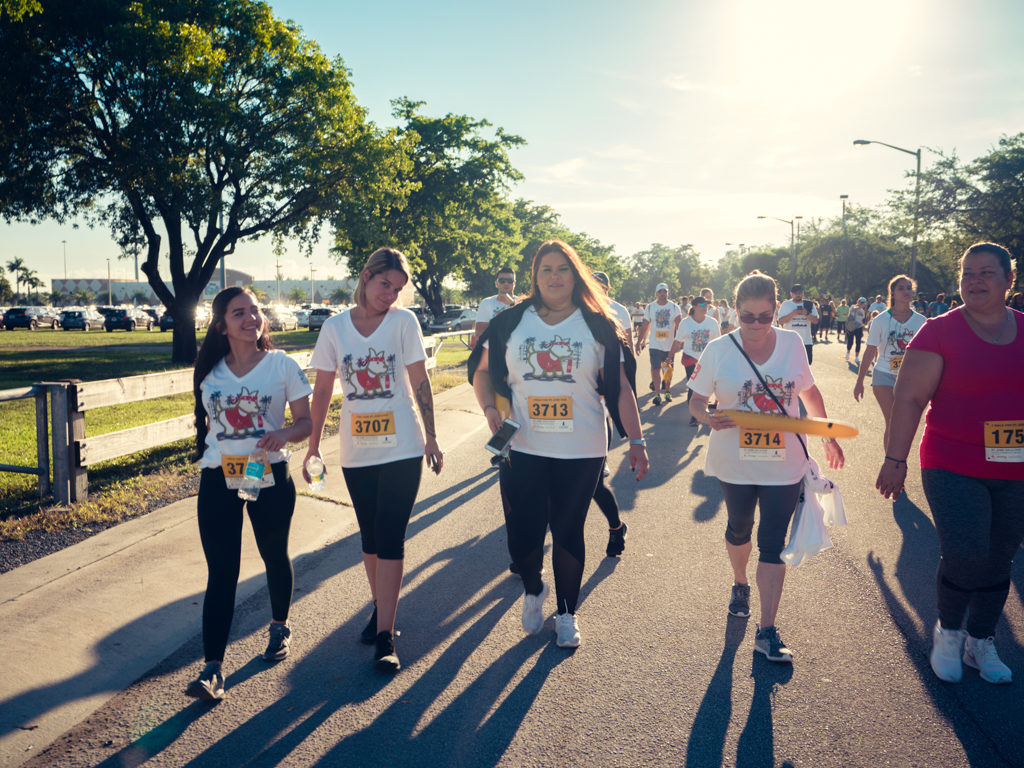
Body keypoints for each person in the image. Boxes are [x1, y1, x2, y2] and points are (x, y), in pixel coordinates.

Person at [469, 239, 649, 649]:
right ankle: (534, 589)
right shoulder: (510, 323)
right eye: (546, 269)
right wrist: (488, 410)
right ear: (534, 276)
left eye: (562, 269)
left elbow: (621, 388)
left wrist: (636, 440)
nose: (554, 276)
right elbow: (481, 372)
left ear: (576, 275)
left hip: (581, 447)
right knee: (522, 535)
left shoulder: (599, 325)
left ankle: (567, 612)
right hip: (521, 445)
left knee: (569, 530)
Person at [877, 242, 1024, 685]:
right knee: (966, 551)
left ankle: (981, 641)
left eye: (986, 273)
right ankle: (949, 631)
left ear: (1008, 281)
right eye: (967, 274)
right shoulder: (939, 332)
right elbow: (909, 400)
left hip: (1015, 467)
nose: (975, 280)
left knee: (1001, 557)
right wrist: (894, 459)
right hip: (951, 461)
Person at [688, 270, 845, 663]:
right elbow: (695, 401)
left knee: (772, 542)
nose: (756, 325)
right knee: (739, 529)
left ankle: (767, 629)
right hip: (735, 464)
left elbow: (808, 391)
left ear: (776, 310)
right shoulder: (718, 350)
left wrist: (828, 435)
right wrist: (707, 418)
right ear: (734, 313)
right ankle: (740, 582)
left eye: (764, 316)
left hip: (784, 464)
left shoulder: (792, 343)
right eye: (747, 317)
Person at [304, 247, 443, 673]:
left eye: (398, 289)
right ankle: (381, 606)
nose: (391, 295)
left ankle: (386, 633)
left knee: (390, 535)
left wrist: (432, 437)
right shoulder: (334, 328)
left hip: (402, 445)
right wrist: (313, 446)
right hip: (356, 449)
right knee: (368, 537)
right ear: (366, 277)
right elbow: (324, 391)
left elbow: (419, 380)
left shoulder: (404, 321)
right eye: (385, 285)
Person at [186, 287, 313, 700]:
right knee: (221, 571)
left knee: (274, 555)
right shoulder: (210, 373)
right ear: (222, 326)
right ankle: (213, 670)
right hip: (218, 479)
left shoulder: (281, 365)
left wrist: (282, 434)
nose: (251, 319)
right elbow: (209, 429)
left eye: (255, 311)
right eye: (239, 313)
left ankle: (279, 627)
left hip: (269, 475)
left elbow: (306, 423)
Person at [853, 275, 926, 450]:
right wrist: (859, 381)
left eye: (909, 288)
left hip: (909, 378)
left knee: (903, 423)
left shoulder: (921, 321)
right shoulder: (881, 320)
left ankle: (897, 460)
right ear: (892, 292)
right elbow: (870, 351)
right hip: (883, 375)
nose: (906, 291)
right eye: (901, 288)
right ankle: (891, 462)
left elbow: (926, 354)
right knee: (893, 419)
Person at [670, 295, 721, 427]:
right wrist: (669, 357)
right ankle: (694, 416)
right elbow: (677, 341)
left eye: (707, 305)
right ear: (695, 307)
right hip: (691, 359)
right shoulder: (686, 323)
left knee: (712, 386)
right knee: (693, 387)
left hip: (707, 360)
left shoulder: (712, 322)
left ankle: (712, 413)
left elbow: (718, 342)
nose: (706, 308)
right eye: (703, 305)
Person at [637, 282, 682, 405]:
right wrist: (639, 341)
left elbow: (679, 325)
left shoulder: (674, 307)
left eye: (665, 292)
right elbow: (645, 325)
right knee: (655, 369)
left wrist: (681, 341)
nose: (663, 294)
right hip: (655, 345)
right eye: (660, 292)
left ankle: (667, 391)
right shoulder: (650, 307)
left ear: (667, 293)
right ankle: (657, 394)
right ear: (656, 294)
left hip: (669, 345)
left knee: (667, 370)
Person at [474, 266, 519, 343]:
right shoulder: (486, 303)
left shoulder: (521, 303)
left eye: (510, 281)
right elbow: (479, 334)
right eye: (502, 281)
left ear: (514, 283)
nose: (506, 283)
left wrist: (512, 304)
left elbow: (526, 329)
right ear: (496, 283)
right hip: (494, 351)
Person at [777, 283, 819, 364]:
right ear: (791, 294)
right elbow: (780, 321)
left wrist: (806, 313)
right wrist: (793, 313)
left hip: (806, 341)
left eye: (800, 293)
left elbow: (816, 321)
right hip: (789, 342)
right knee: (788, 366)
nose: (798, 295)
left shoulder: (809, 304)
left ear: (803, 293)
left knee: (806, 366)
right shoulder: (786, 304)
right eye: (795, 293)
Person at [844, 298, 867, 364]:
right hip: (852, 326)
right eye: (861, 302)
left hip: (859, 327)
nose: (862, 303)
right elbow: (853, 310)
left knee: (858, 342)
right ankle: (848, 352)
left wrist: (862, 329)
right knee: (850, 341)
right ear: (858, 301)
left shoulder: (862, 311)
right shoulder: (853, 306)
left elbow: (862, 320)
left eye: (863, 302)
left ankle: (856, 357)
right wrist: (860, 307)